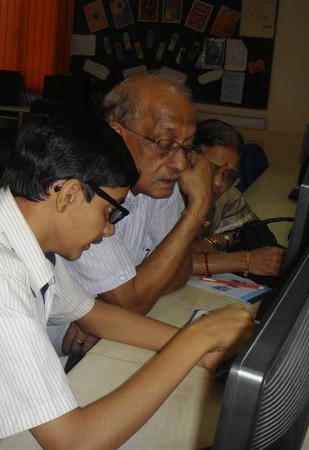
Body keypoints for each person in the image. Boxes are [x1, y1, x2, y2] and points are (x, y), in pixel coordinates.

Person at [0, 109, 253, 450]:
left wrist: (196, 348)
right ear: (70, 194)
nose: (110, 230)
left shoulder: (18, 230)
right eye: (111, 213)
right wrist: (195, 340)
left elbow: (96, 315)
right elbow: (73, 441)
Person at [61, 74, 214, 354]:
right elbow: (132, 303)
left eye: (187, 146)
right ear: (117, 135)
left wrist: (107, 310)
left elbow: (180, 269)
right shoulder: (84, 191)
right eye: (165, 144)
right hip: (55, 356)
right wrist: (198, 205)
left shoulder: (155, 180)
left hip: (105, 339)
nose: (180, 163)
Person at [190, 119, 284, 277]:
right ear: (189, 157)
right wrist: (245, 260)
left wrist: (214, 242)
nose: (218, 182)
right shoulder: (163, 197)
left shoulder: (226, 194)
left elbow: (245, 231)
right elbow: (166, 264)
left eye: (229, 175)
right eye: (211, 168)